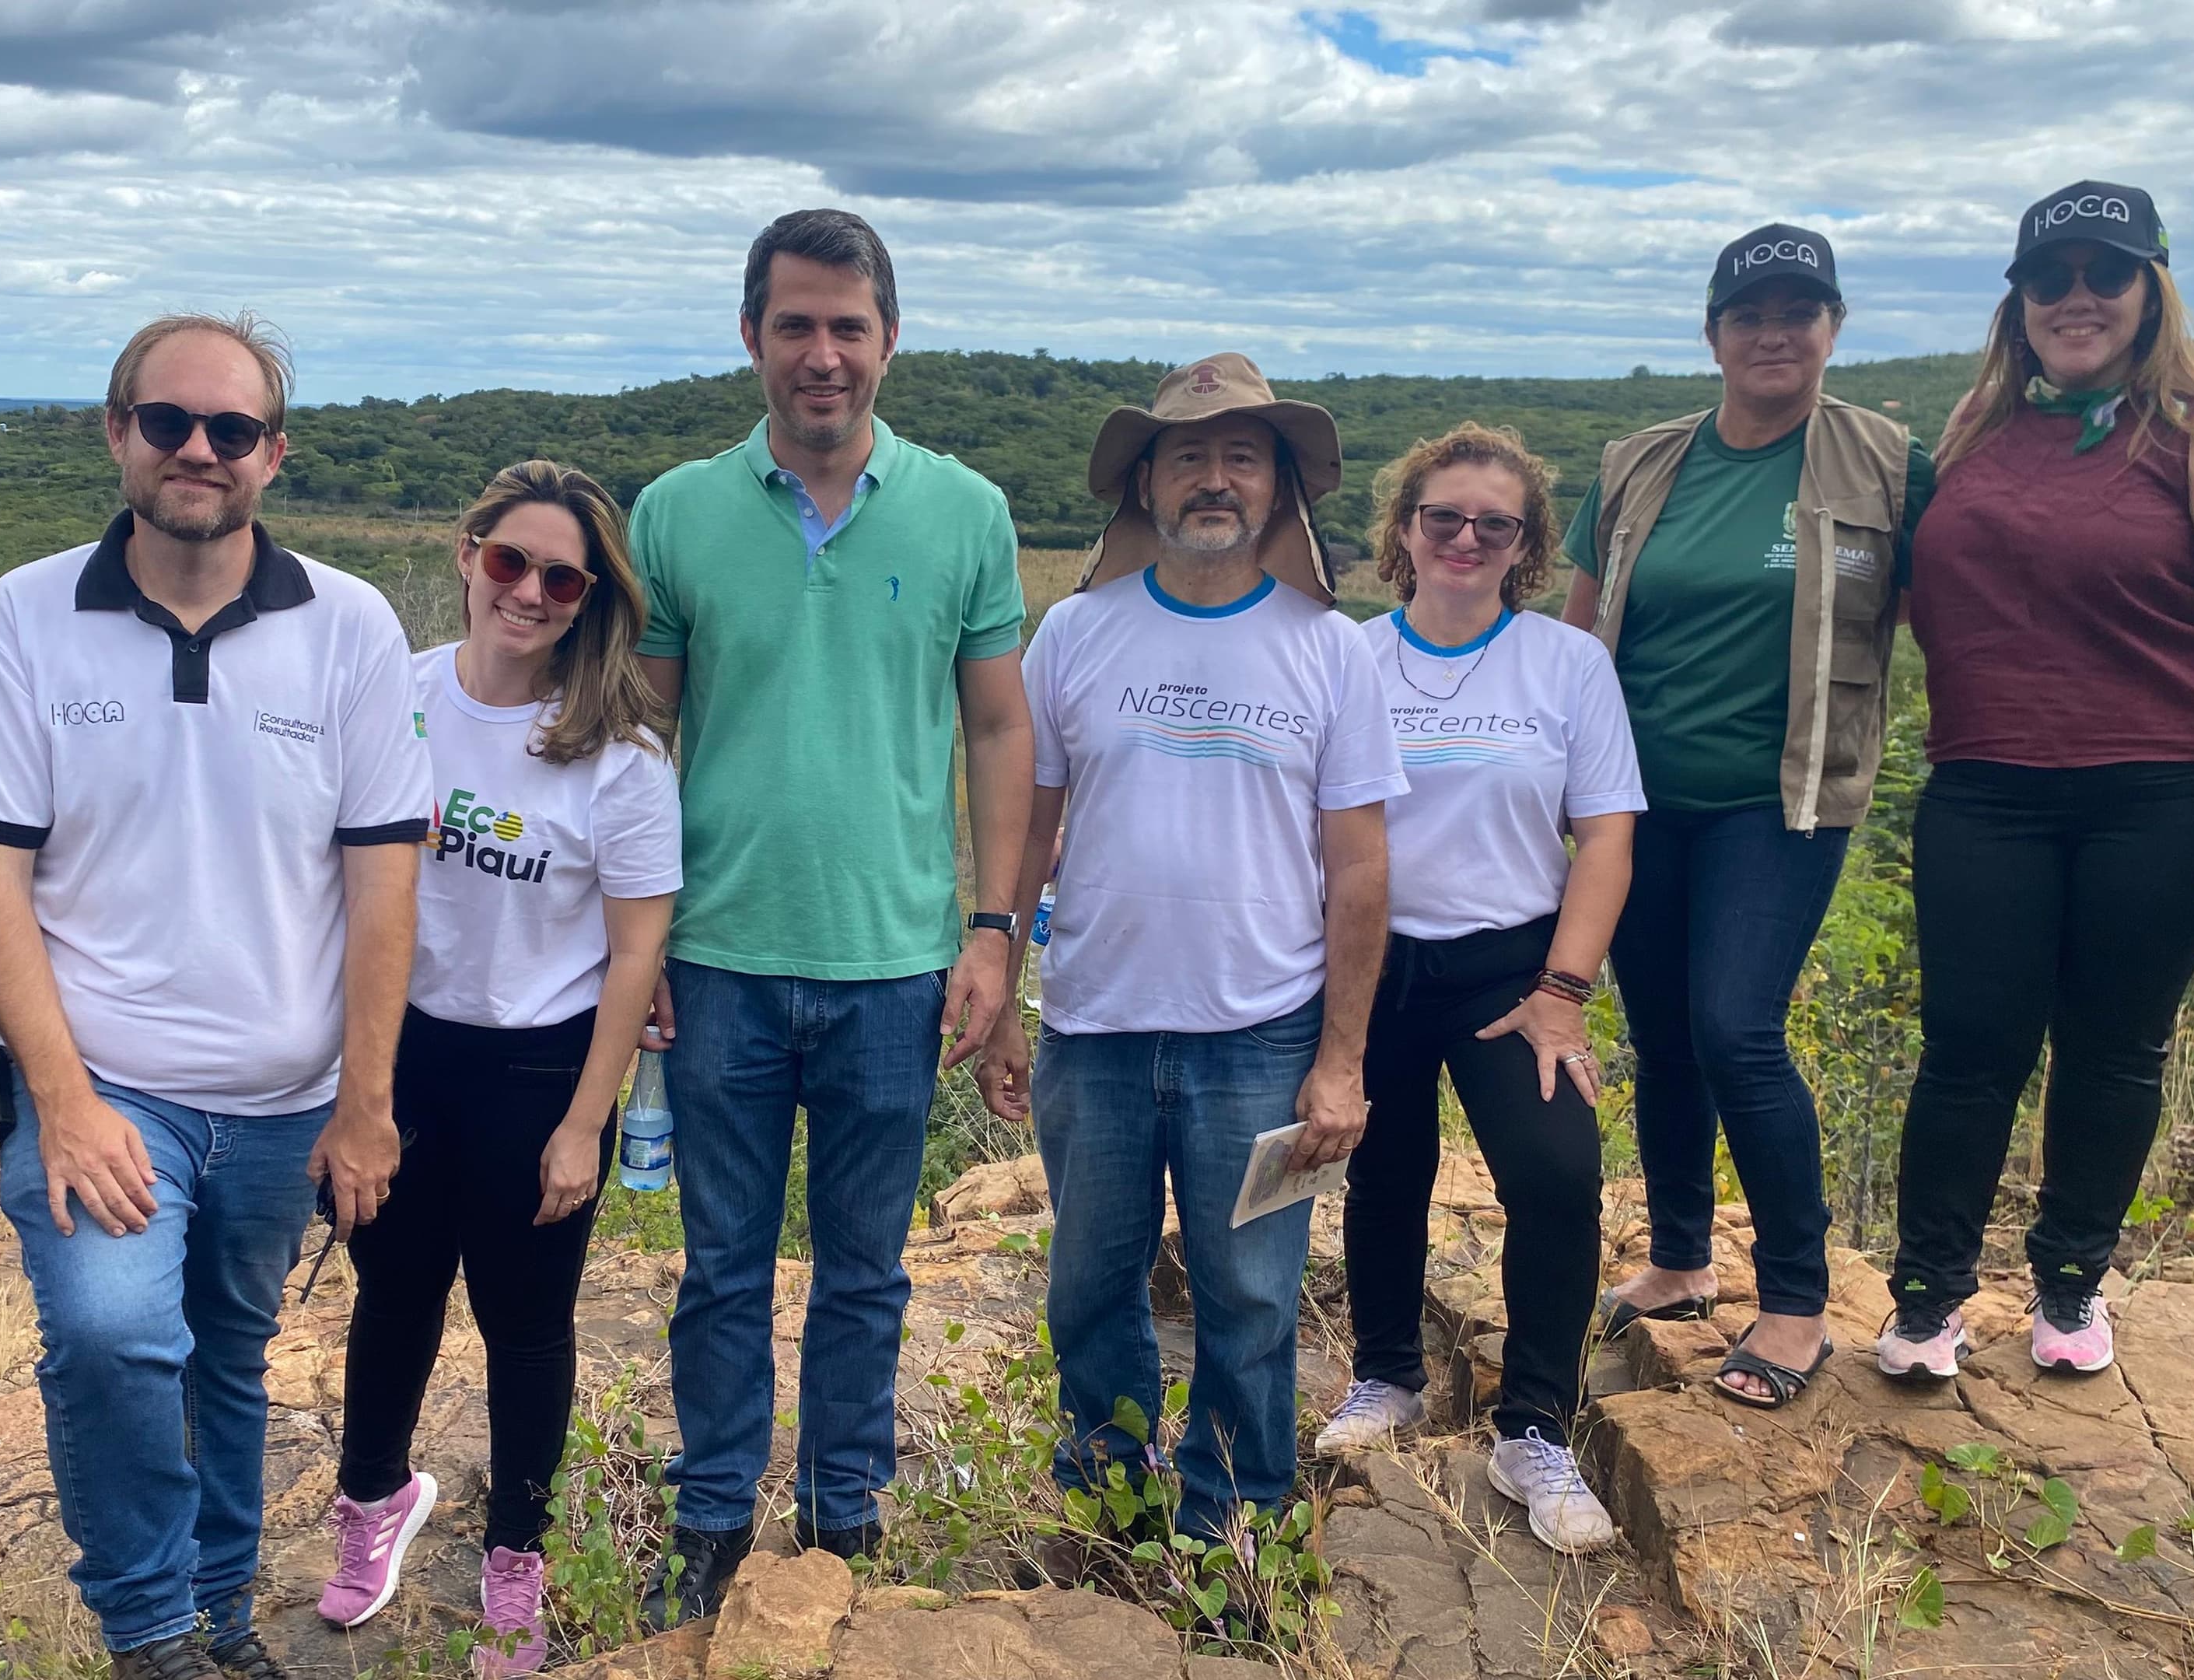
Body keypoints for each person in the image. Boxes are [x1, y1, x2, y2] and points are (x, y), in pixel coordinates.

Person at [0, 313, 430, 1680]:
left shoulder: (351, 626)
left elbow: (384, 884)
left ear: (275, 453)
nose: (197, 451)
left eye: (231, 430)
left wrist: (366, 1104)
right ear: (118, 433)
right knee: (110, 1339)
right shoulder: (27, 613)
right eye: (168, 422)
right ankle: (152, 1629)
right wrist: (61, 1098)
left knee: (227, 1357)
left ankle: (221, 1614)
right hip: (106, 1085)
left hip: (285, 1101)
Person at [629, 208, 1034, 1623]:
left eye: (848, 327)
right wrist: (641, 948)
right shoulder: (676, 511)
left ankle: (843, 1518)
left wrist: (995, 930)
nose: (822, 355)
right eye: (794, 325)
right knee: (721, 1270)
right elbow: (644, 740)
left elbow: (997, 732)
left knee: (867, 1271)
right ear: (751, 338)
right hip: (720, 958)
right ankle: (714, 1517)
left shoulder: (967, 510)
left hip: (895, 961)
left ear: (889, 342)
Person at [1879, 183, 2194, 1381]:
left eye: (2104, 275)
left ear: (2150, 291)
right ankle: (1927, 1298)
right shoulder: (1974, 429)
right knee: (1970, 1047)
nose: (2076, 298)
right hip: (1985, 788)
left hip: (2161, 795)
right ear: (2017, 301)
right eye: (2049, 277)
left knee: (2115, 1048)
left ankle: (2071, 1287)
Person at [982, 353, 1399, 1550]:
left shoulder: (1333, 648)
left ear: (1277, 486)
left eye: (1241, 456)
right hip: (1097, 1029)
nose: (1214, 479)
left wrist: (1342, 1061)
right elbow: (1031, 827)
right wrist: (1003, 989)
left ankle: (1235, 1530)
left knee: (1255, 1301)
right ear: (1147, 483)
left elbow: (1361, 872)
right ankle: (1111, 1512)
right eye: (1188, 456)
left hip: (1264, 1039)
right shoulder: (1074, 632)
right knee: (1089, 1292)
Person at [318, 461, 678, 1674]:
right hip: (399, 1051)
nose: (528, 592)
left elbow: (635, 956)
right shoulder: (393, 694)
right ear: (469, 553)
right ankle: (374, 1504)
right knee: (396, 1293)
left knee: (526, 1326)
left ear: (589, 599)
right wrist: (345, 1083)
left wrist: (587, 1123)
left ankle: (515, 1560)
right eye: (510, 561)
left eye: (560, 577)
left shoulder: (619, 755)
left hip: (537, 1065)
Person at [1564, 223, 1933, 1409]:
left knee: (1737, 1029)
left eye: (1799, 310)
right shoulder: (1639, 464)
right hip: (1633, 801)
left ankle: (1794, 1301)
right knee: (1664, 1033)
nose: (1774, 332)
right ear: (1713, 332)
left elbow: (1983, 608)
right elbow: (1578, 638)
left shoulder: (1887, 465)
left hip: (1783, 802)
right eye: (1750, 312)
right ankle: (1679, 1259)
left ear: (1834, 326)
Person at [1313, 423, 1640, 1554]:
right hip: (1377, 960)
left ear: (1525, 545)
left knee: (1557, 1179)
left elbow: (1604, 838)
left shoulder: (1566, 665)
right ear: (1404, 532)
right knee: (1384, 1173)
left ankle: (1535, 1425)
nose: (1464, 537)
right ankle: (1389, 1374)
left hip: (1513, 964)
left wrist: (1566, 989)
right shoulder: (1346, 656)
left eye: (1492, 524)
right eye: (1442, 517)